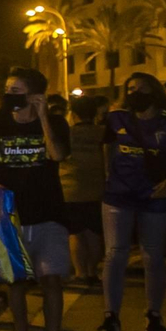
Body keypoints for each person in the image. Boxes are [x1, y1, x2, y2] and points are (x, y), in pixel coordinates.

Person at [0, 66, 72, 331]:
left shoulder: (57, 123)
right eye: (8, 89)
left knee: (51, 280)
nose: (10, 96)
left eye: (16, 90)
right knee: (14, 281)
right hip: (11, 217)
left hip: (48, 214)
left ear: (34, 94)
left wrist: (44, 117)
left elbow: (57, 155)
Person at [99, 73, 166, 331]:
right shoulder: (117, 118)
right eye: (130, 88)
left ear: (154, 91)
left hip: (156, 196)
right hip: (119, 195)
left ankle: (154, 314)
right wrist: (108, 176)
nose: (135, 92)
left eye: (141, 88)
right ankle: (110, 315)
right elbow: (107, 148)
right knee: (115, 253)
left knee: (153, 257)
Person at [59, 97, 107, 288]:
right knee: (95, 233)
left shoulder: (67, 134)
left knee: (76, 233)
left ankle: (80, 272)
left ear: (74, 113)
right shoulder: (103, 133)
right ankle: (92, 271)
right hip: (97, 190)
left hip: (70, 190)